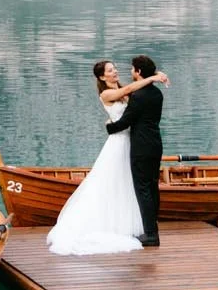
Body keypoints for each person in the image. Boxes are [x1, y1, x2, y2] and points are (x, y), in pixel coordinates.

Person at [46, 59, 169, 257]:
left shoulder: (128, 90)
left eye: (115, 69)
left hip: (134, 141)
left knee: (132, 185)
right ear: (102, 77)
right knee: (115, 181)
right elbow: (131, 90)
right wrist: (154, 77)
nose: (115, 72)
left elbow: (133, 99)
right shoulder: (107, 93)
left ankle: (142, 227)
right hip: (120, 142)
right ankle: (135, 227)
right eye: (110, 71)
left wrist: (150, 77)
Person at [105, 53, 164, 248]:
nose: (130, 72)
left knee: (143, 189)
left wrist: (109, 127)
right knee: (153, 186)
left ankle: (151, 234)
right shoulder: (157, 94)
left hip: (141, 147)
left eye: (132, 69)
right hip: (155, 144)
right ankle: (152, 226)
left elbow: (125, 122)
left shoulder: (138, 96)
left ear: (138, 72)